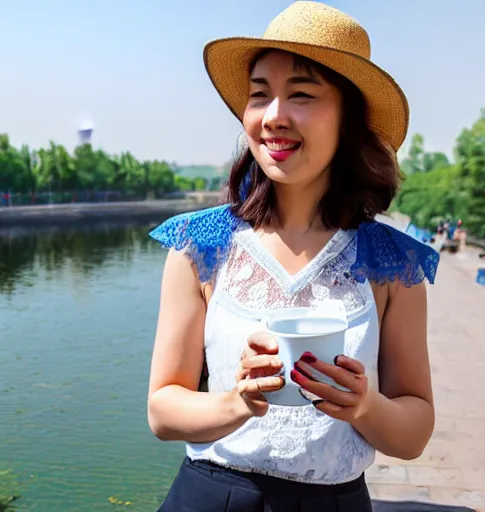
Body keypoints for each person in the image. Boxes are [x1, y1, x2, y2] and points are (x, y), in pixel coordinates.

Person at [147, 2, 440, 511]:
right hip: (209, 496)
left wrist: (364, 405)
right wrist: (234, 403)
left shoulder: (394, 263)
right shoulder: (200, 245)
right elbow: (162, 410)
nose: (274, 116)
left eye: (302, 94)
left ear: (350, 118)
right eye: (260, 94)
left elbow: (413, 432)